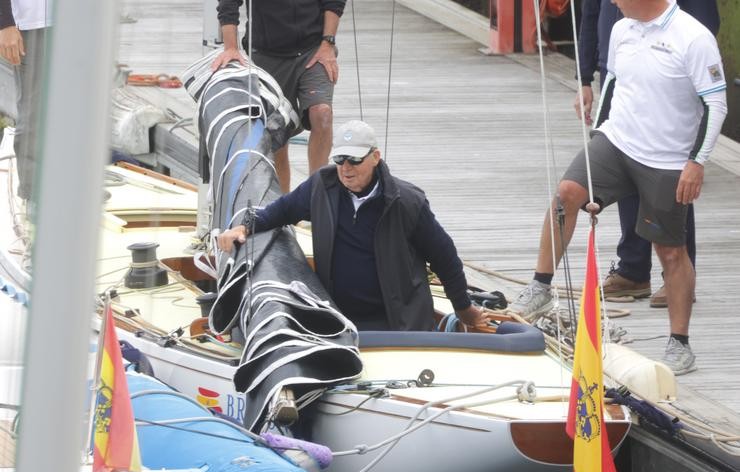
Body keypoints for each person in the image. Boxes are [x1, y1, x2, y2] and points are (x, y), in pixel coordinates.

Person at [511, 0, 727, 375]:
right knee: (566, 194)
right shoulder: (621, 28)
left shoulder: (694, 37)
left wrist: (696, 162)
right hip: (616, 142)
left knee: (670, 251)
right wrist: (599, 136)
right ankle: (541, 287)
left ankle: (680, 344)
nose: (611, 2)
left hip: (667, 159)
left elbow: (716, 104)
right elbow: (612, 80)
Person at [218, 120, 489, 331]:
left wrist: (463, 308)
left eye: (355, 160)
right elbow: (282, 210)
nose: (346, 168)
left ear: (375, 156)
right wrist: (245, 226)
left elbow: (445, 257)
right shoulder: (321, 187)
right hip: (341, 321)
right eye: (340, 159)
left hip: (399, 326)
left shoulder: (408, 202)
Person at [574, 0, 719, 307]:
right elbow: (591, 10)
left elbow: (705, 20)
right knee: (624, 157)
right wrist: (584, 76)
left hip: (670, 62)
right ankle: (633, 269)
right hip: (618, 54)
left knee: (668, 179)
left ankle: (678, 277)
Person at [211, 0, 345, 194]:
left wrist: (328, 43)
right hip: (267, 53)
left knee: (322, 115)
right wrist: (231, 47)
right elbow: (228, 3)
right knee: (277, 133)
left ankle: (317, 199)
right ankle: (283, 207)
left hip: (314, 49)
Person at [0, 0, 52, 206]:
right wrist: (4, 24)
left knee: (76, 112)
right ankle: (33, 194)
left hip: (77, 24)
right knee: (34, 112)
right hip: (33, 23)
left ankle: (73, 185)